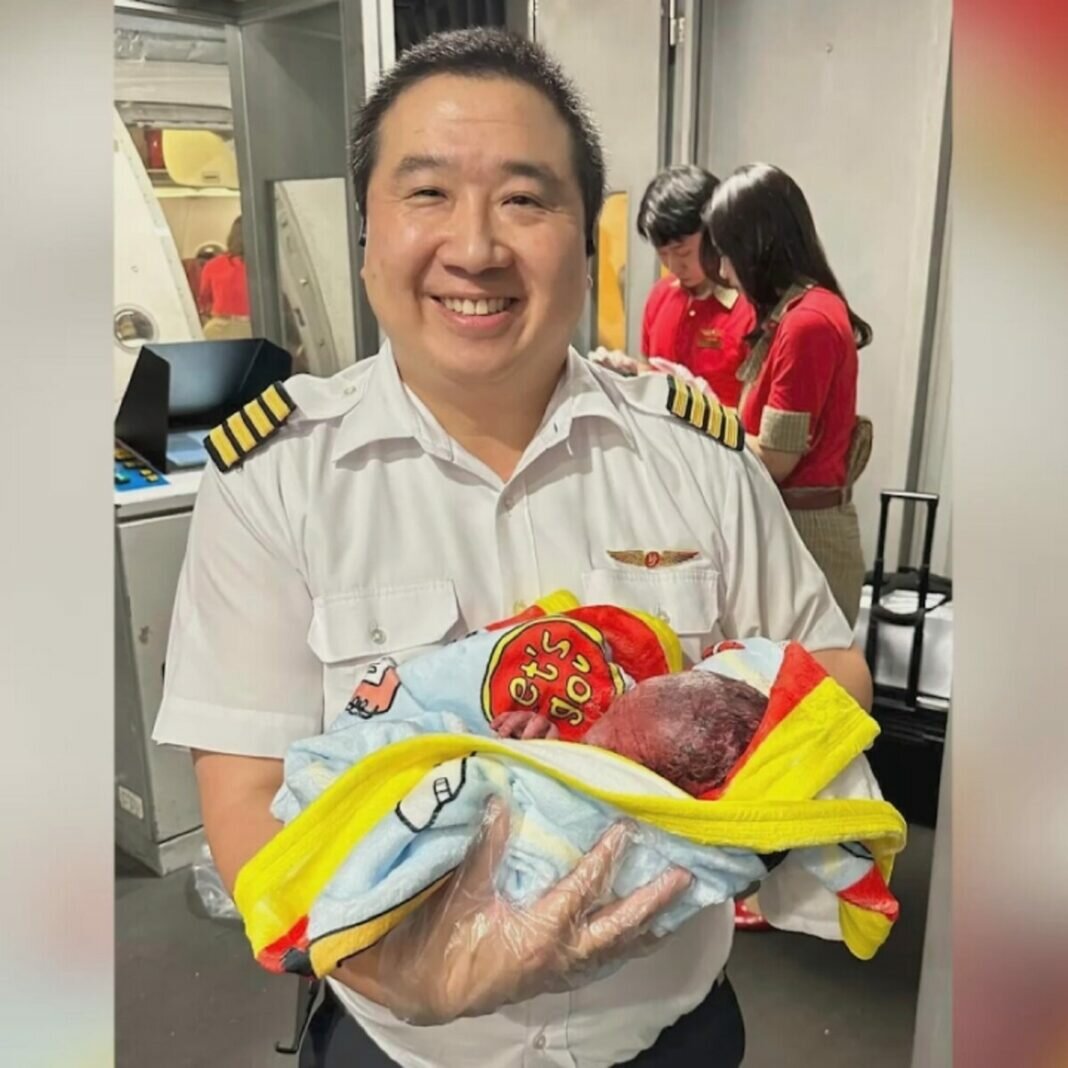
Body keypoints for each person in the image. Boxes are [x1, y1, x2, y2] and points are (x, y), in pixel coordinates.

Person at [154, 28, 874, 1068]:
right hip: (398, 1047)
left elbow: (831, 674)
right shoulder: (274, 479)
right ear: (366, 236)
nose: (477, 247)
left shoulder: (699, 458)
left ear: (586, 245)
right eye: (428, 193)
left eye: (526, 199)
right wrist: (410, 974)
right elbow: (248, 802)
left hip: (670, 1039)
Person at [704, 163, 873, 628]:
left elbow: (778, 458)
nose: (724, 271)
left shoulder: (807, 323)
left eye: (727, 254)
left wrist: (702, 434)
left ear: (759, 245)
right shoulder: (797, 313)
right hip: (791, 531)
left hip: (807, 540)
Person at [636, 165, 755, 407]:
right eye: (662, 254)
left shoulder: (751, 307)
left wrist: (706, 409)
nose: (673, 266)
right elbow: (647, 370)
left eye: (683, 252)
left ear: (715, 234)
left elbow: (760, 420)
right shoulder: (660, 296)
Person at [198, 214, 251, 339]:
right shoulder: (263, 267)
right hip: (252, 328)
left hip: (219, 328)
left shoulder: (213, 265)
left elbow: (204, 300)